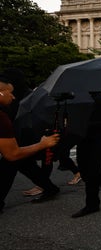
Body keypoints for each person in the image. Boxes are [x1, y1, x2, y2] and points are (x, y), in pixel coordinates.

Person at [0, 71, 61, 208]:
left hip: (24, 136)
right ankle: (50, 188)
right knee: (24, 165)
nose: (13, 96)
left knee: (10, 165)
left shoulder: (29, 96)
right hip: (18, 136)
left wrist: (42, 142)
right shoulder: (24, 94)